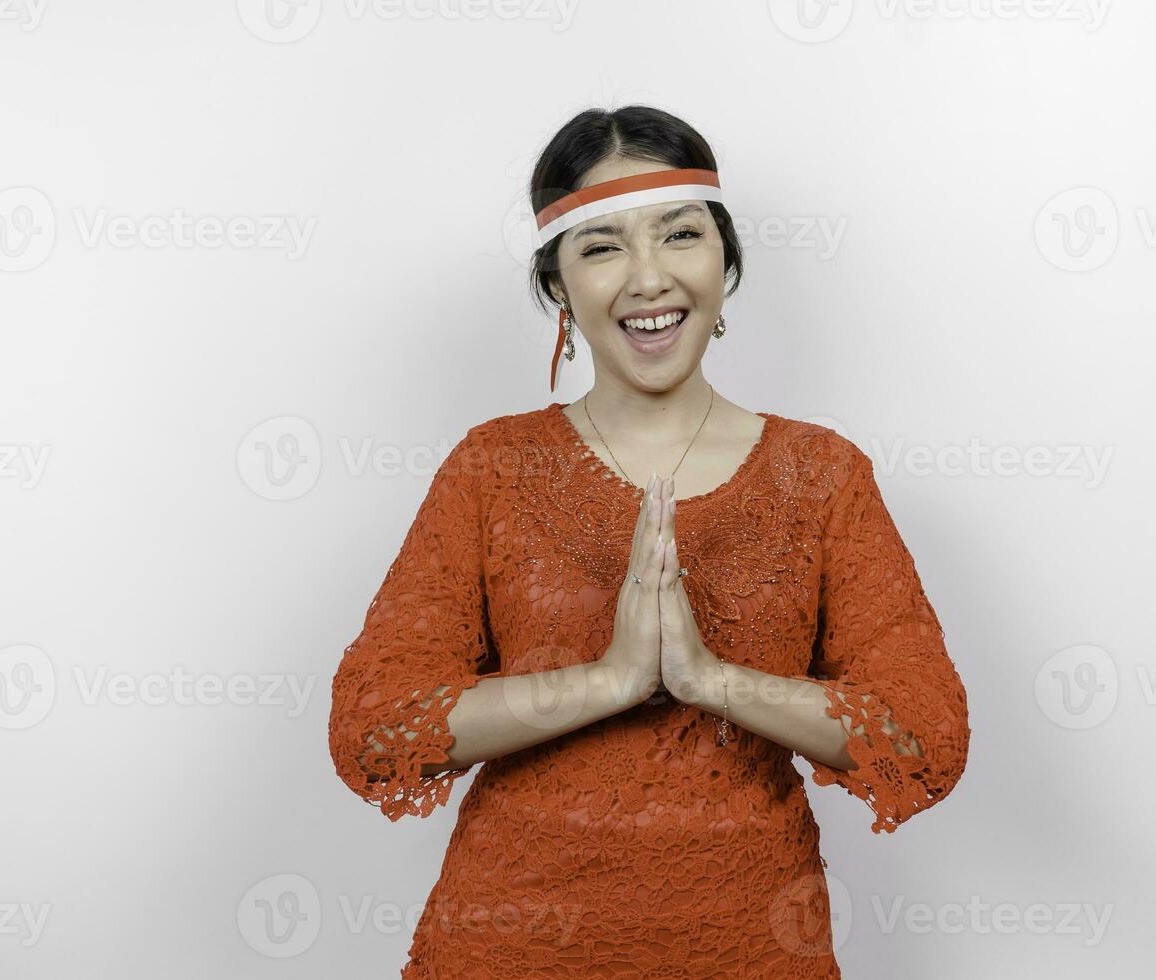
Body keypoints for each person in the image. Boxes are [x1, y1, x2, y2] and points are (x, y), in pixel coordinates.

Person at [327, 104, 970, 978]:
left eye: (678, 234)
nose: (648, 278)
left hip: (750, 946)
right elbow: (376, 729)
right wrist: (609, 682)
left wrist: (709, 681)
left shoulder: (823, 476)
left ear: (726, 259)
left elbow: (922, 739)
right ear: (556, 283)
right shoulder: (492, 468)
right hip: (508, 948)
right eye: (601, 246)